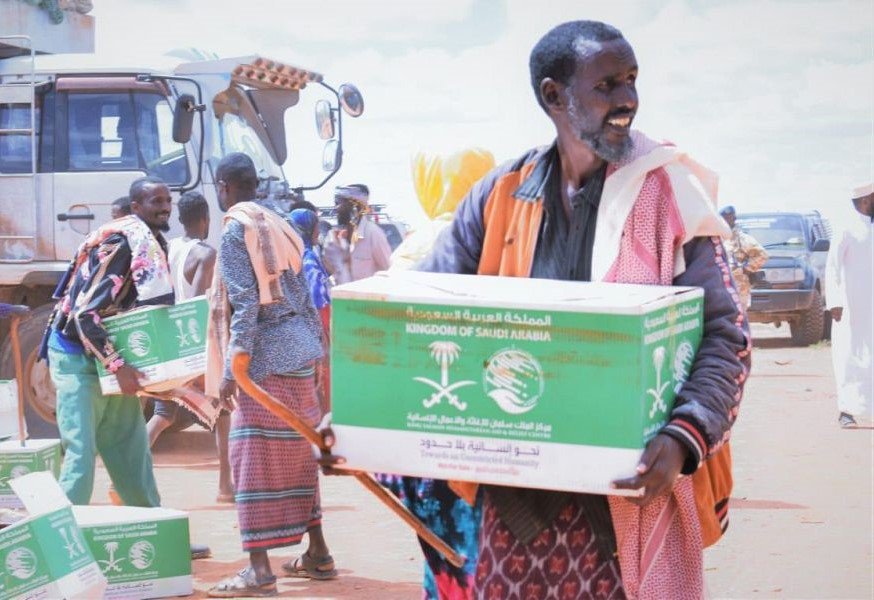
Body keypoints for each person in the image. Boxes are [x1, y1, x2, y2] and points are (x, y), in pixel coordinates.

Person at [388, 20, 749, 599]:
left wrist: (684, 435)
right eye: (607, 85)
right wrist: (362, 409)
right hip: (513, 497)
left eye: (632, 80)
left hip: (627, 490)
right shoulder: (502, 193)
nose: (628, 99)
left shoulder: (670, 195)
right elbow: (425, 309)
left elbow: (725, 332)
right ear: (554, 96)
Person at [206, 153, 335, 598]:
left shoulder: (235, 231)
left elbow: (245, 304)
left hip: (263, 363)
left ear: (223, 187)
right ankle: (318, 553)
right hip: (301, 353)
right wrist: (316, 350)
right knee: (300, 455)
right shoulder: (280, 223)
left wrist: (232, 368)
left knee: (250, 460)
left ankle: (259, 571)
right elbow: (301, 293)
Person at [44, 176, 173, 508]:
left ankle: (153, 525)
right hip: (77, 356)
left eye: (167, 200)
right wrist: (118, 366)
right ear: (136, 207)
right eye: (156, 201)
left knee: (131, 451)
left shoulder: (154, 245)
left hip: (111, 353)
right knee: (81, 454)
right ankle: (65, 533)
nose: (164, 207)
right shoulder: (121, 246)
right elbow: (84, 315)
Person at [146, 190, 234, 503]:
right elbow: (197, 305)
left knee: (163, 415)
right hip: (195, 345)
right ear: (205, 219)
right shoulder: (206, 254)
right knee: (223, 413)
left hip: (169, 341)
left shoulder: (168, 248)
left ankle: (124, 475)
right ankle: (225, 487)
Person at [826, 183, 873, 428]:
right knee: (848, 357)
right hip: (850, 306)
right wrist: (834, 301)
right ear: (865, 200)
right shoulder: (846, 227)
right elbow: (832, 266)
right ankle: (846, 411)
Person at [321, 184, 392, 284]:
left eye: (339, 203)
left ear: (355, 207)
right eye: (335, 203)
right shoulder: (334, 238)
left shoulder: (373, 233)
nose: (336, 209)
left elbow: (388, 272)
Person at [720, 205, 768, 309]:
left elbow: (762, 255)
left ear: (734, 219)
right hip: (721, 287)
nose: (726, 221)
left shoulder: (741, 239)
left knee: (739, 315)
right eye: (724, 218)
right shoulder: (717, 237)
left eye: (728, 218)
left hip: (739, 288)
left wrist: (747, 269)